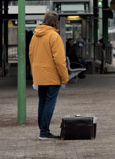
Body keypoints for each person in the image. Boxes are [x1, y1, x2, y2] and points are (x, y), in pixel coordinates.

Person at [28, 11, 69, 140]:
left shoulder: (35, 36)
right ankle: (44, 132)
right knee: (50, 103)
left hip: (39, 75)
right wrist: (64, 77)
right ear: (55, 22)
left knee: (42, 102)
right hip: (52, 75)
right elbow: (59, 60)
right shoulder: (54, 36)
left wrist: (35, 71)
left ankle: (42, 130)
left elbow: (31, 55)